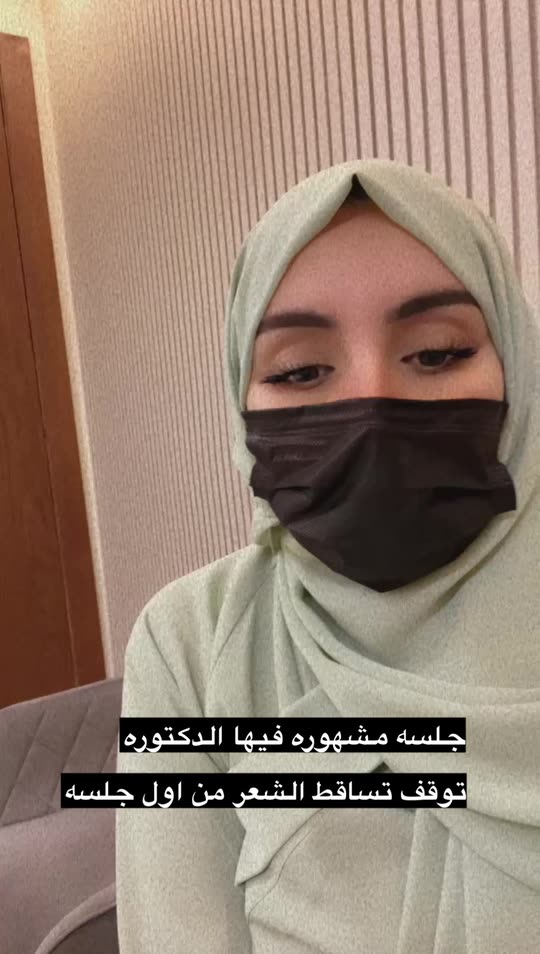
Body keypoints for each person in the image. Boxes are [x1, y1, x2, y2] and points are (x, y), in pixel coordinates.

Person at [115, 158, 540, 954]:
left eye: (437, 354)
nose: (372, 408)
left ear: (517, 365)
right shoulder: (189, 647)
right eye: (302, 370)